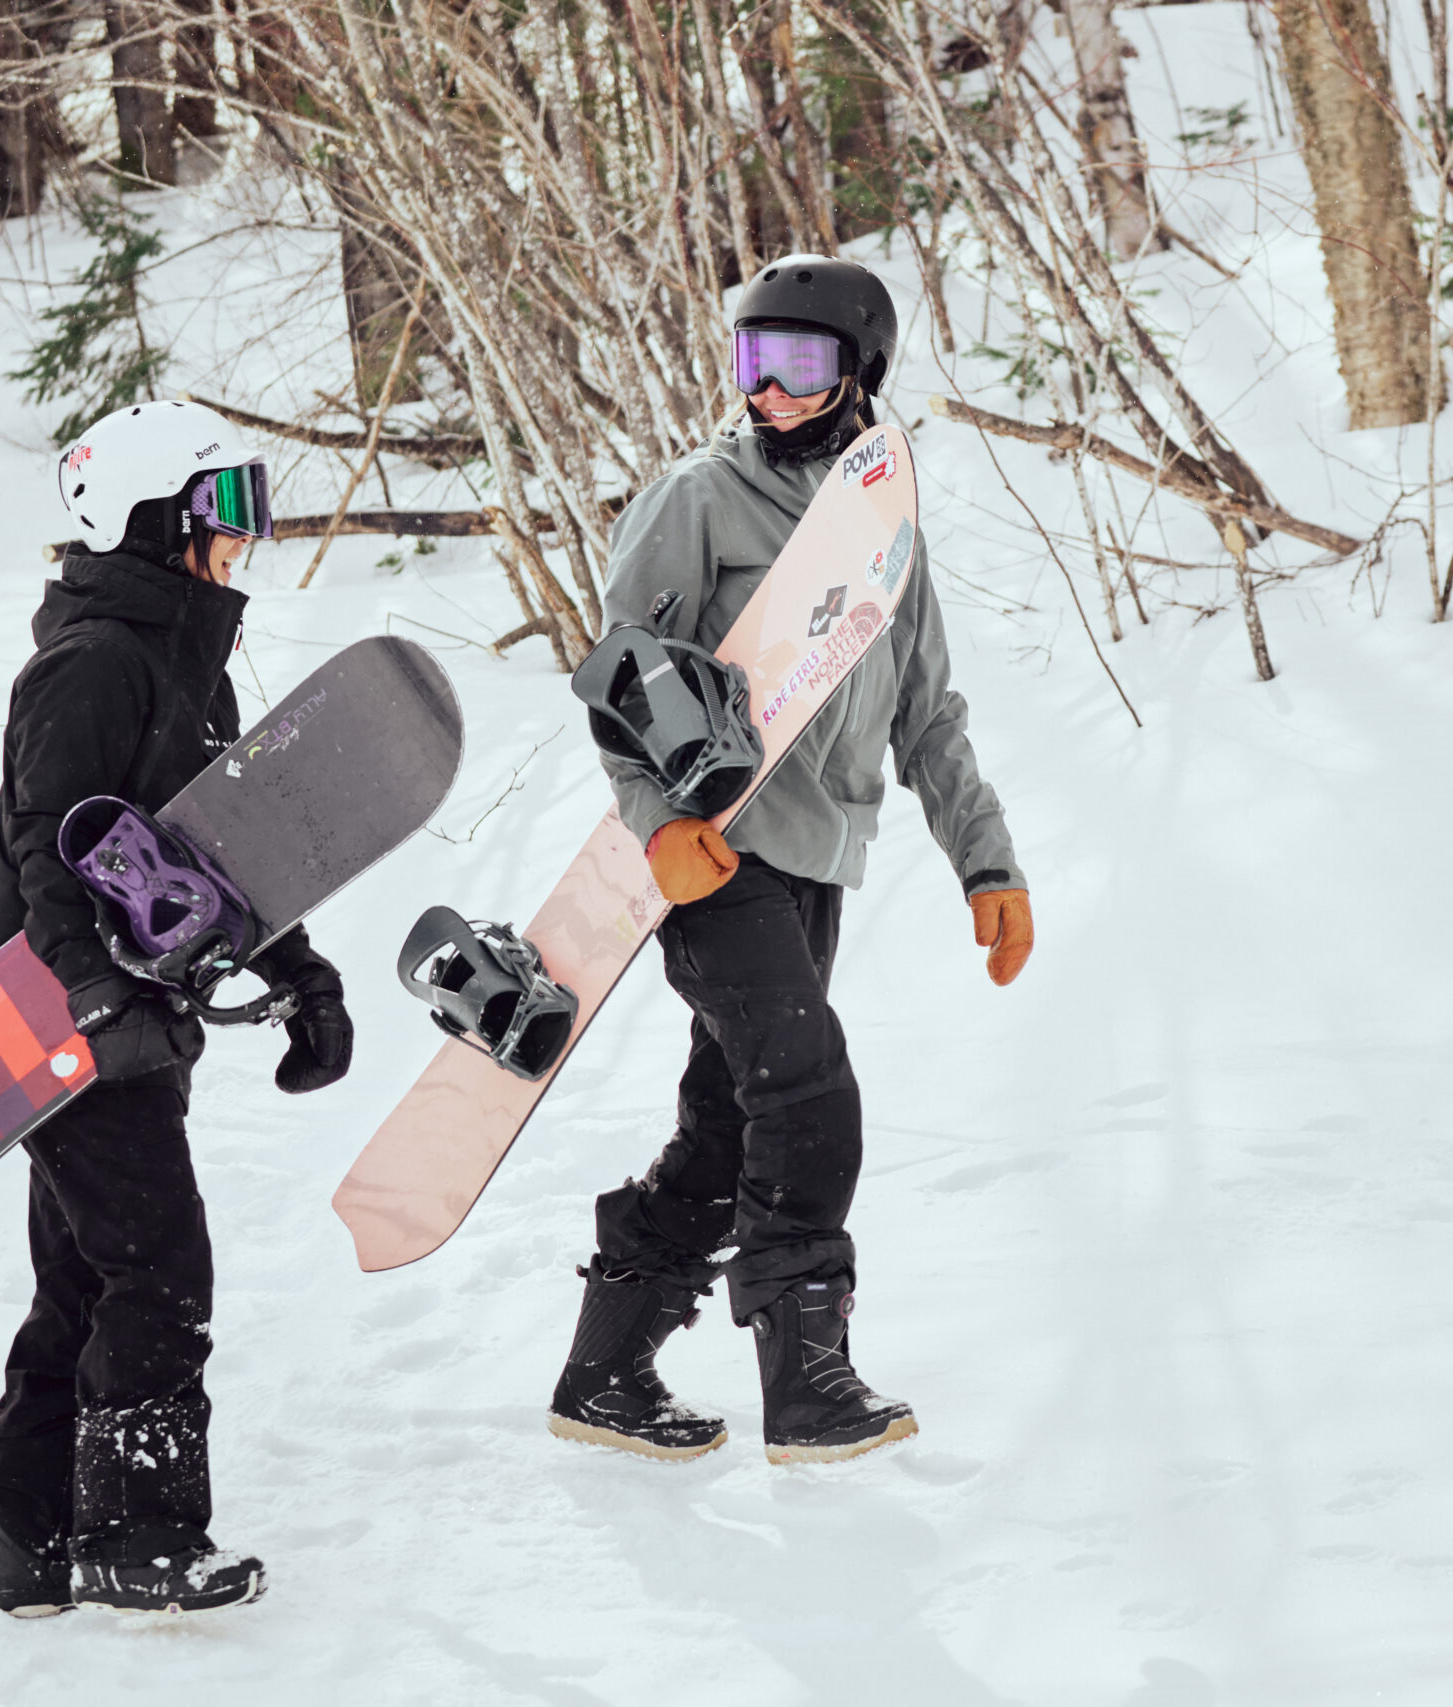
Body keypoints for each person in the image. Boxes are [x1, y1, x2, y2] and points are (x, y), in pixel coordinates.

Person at [547, 256, 1035, 1466]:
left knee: (727, 1128)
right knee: (807, 1090)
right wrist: (657, 823)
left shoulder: (882, 526)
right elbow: (622, 680)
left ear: (857, 372)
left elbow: (927, 713)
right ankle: (806, 1376)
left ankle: (605, 1370)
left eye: (797, 363)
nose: (766, 388)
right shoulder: (696, 498)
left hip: (818, 856)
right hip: (710, 858)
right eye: (750, 362)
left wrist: (989, 866)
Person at [0, 401, 356, 1615]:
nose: (248, 534)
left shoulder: (189, 671)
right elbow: (45, 838)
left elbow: (227, 864)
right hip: (55, 1021)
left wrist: (303, 977)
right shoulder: (91, 661)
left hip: (132, 1023)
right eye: (226, 506)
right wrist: (85, 984)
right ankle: (135, 1535)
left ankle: (32, 1538)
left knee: (87, 1278)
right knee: (158, 1267)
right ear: (155, 516)